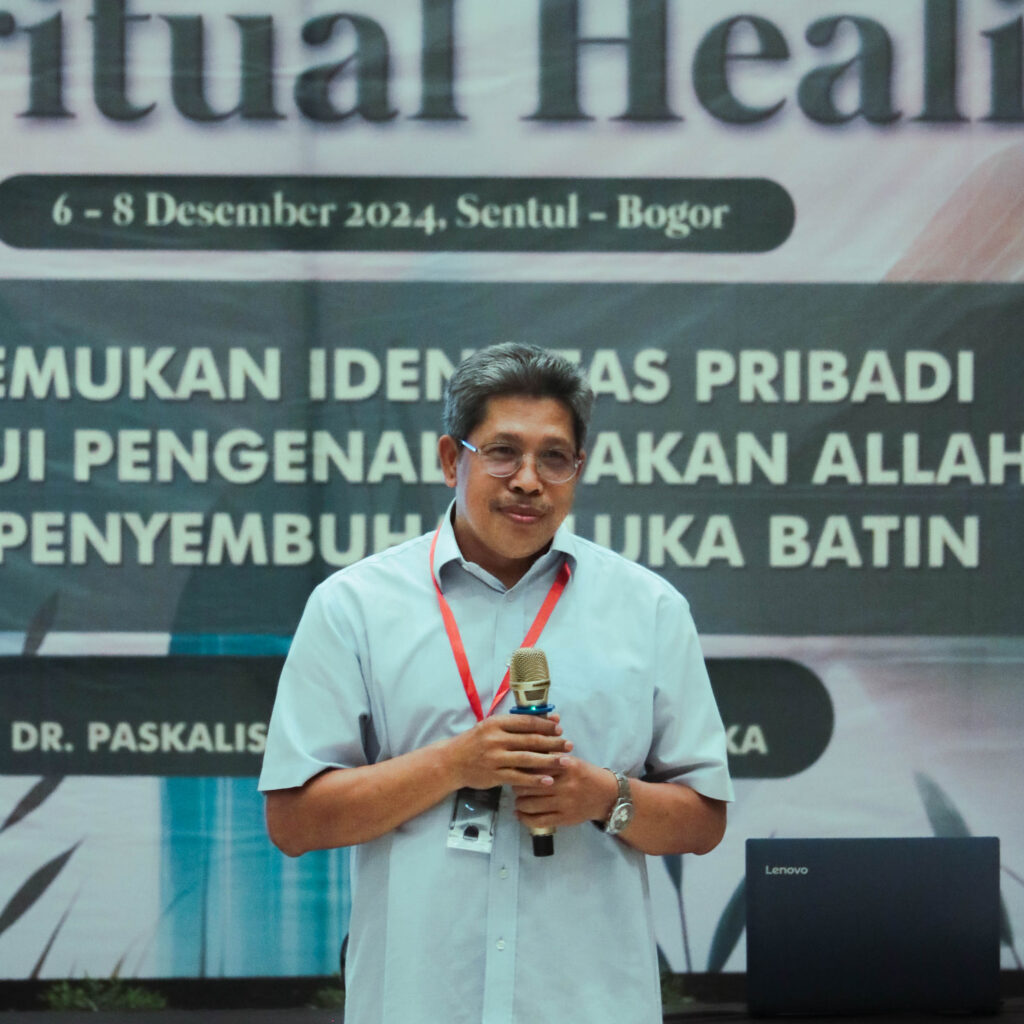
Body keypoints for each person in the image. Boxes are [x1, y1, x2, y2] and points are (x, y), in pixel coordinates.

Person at [259, 343, 733, 1024]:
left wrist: (601, 795)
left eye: (554, 457)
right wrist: (455, 764)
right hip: (420, 1003)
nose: (528, 481)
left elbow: (705, 820)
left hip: (588, 1004)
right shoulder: (354, 606)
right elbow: (294, 822)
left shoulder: (649, 609)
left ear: (578, 469)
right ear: (451, 460)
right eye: (503, 453)